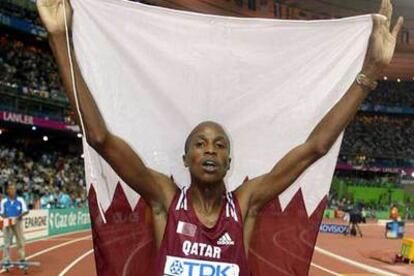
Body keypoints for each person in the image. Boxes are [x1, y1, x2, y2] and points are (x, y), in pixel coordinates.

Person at [37, 0, 403, 274]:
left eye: (219, 144)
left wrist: (369, 73)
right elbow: (99, 138)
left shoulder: (245, 205)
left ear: (230, 161)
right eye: (199, 143)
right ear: (185, 160)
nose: (210, 148)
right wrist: (58, 38)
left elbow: (315, 148)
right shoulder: (165, 198)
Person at [0, 183, 29, 269]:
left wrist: (18, 217)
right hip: (7, 223)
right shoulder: (4, 201)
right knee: (7, 243)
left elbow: (26, 211)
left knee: (20, 242)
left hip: (17, 223)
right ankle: (6, 261)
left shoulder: (20, 200)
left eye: (14, 189)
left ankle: (22, 260)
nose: (13, 191)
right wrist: (7, 218)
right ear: (8, 191)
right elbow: (2, 213)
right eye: (11, 189)